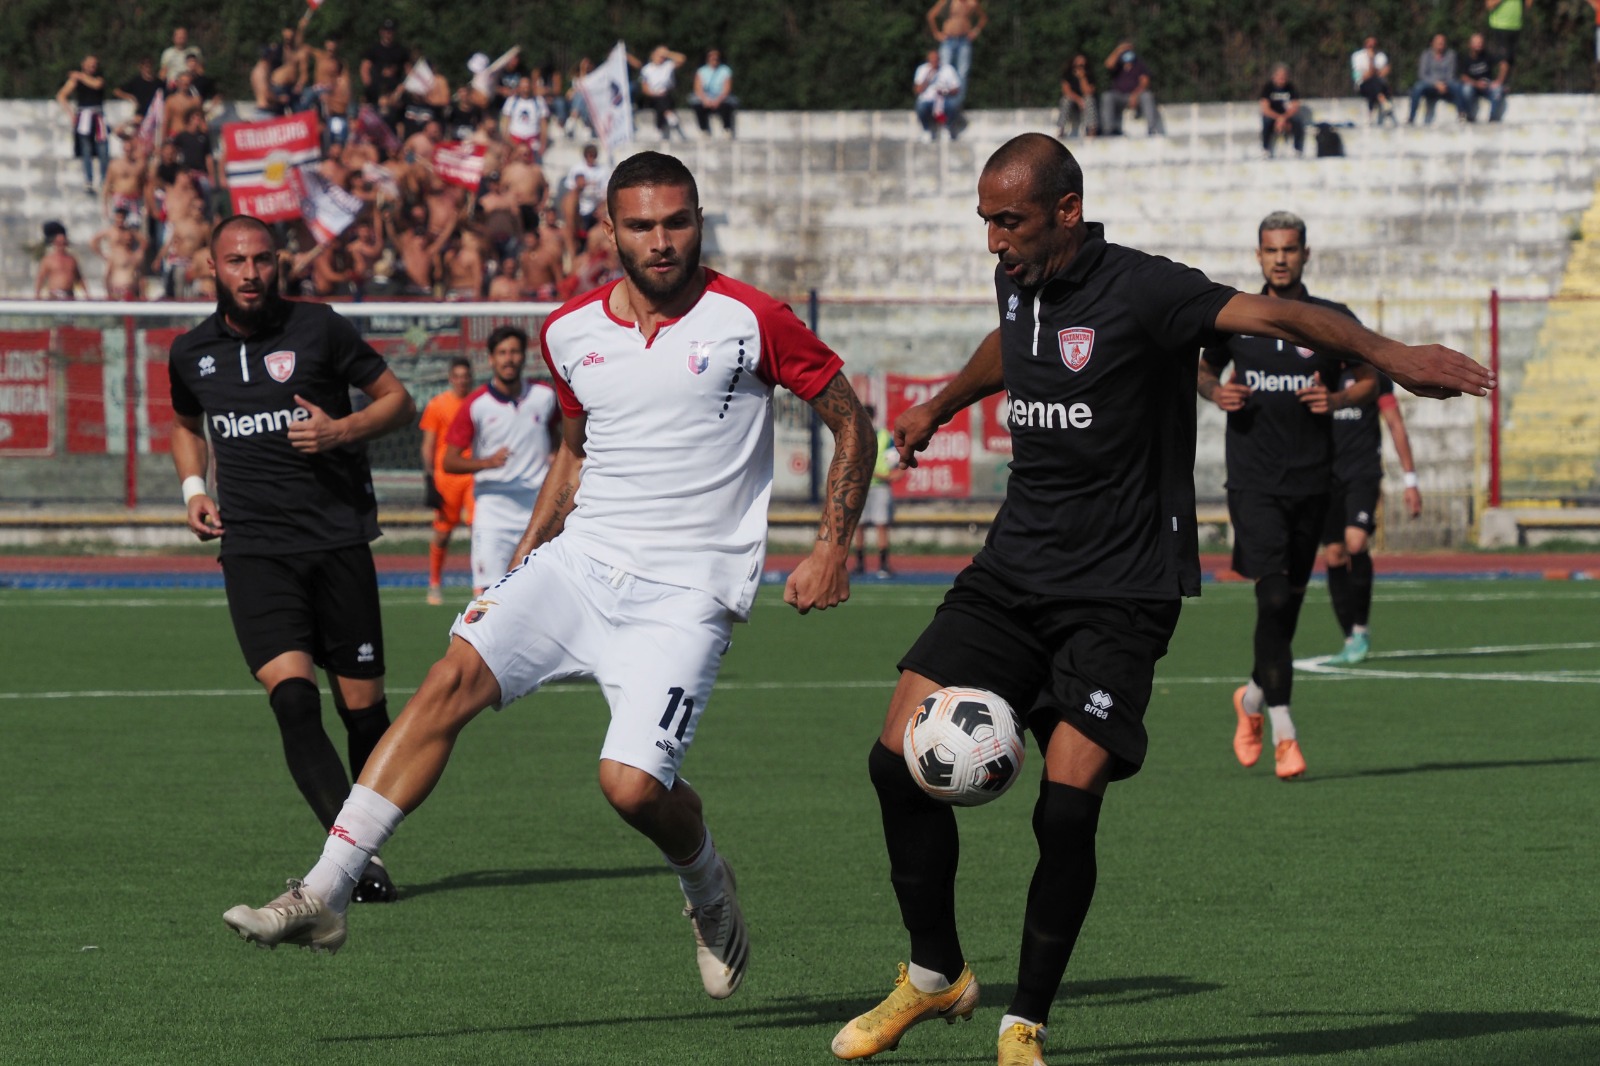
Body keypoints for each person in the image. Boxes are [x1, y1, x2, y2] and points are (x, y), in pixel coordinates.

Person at [828, 134, 1491, 1066]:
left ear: (1066, 210)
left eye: (1007, 220)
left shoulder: (1147, 289)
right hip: (1012, 572)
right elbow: (1011, 346)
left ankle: (1026, 1023)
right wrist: (940, 403)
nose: (992, 241)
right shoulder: (1021, 276)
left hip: (1120, 593)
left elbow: (1275, 314)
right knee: (895, 762)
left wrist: (1392, 354)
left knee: (1065, 807)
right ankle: (936, 978)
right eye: (983, 221)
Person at [220, 153, 877, 1007]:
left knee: (632, 789)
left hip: (686, 593)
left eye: (676, 221)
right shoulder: (568, 330)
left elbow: (849, 419)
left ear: (699, 220)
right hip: (576, 567)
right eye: (640, 225)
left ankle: (710, 887)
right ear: (609, 230)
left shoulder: (753, 318)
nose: (660, 240)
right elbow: (574, 452)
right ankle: (326, 890)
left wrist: (833, 545)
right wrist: (526, 558)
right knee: (449, 678)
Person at [169, 214, 417, 904]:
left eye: (262, 260)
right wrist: (194, 488)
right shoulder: (191, 352)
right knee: (294, 703)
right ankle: (352, 865)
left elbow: (400, 401)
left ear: (278, 264)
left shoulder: (321, 327)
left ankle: (360, 845)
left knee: (364, 713)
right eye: (236, 261)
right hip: (254, 550)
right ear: (212, 268)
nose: (250, 273)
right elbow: (187, 426)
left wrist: (342, 429)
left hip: (337, 541)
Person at [1198, 211, 1377, 782]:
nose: (1280, 258)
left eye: (1290, 249)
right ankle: (1285, 733)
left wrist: (1342, 400)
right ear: (1258, 255)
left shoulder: (1330, 319)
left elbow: (1374, 374)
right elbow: (1200, 368)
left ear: (1305, 254)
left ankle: (1250, 700)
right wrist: (1215, 391)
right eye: (1271, 249)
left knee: (1288, 607)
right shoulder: (1234, 314)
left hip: (1313, 483)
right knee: (1273, 599)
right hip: (1253, 484)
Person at [442, 327, 561, 594]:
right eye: (502, 353)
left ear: (524, 357)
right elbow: (449, 461)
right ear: (491, 359)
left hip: (538, 508)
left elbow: (555, 434)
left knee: (542, 591)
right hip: (493, 512)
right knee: (487, 596)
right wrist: (486, 462)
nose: (509, 359)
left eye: (515, 352)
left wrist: (555, 455)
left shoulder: (545, 396)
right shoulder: (476, 404)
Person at [1321, 372, 1422, 666]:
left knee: (1356, 540)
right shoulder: (1320, 367)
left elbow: (1395, 423)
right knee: (1334, 554)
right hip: (1324, 475)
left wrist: (1410, 480)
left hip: (1362, 474)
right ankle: (1350, 638)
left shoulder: (1372, 375)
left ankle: (1362, 630)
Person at [419, 357, 477, 606]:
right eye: (458, 376)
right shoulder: (437, 405)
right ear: (451, 378)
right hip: (447, 477)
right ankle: (434, 583)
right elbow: (429, 443)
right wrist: (429, 478)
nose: (462, 380)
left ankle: (481, 587)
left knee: (480, 531)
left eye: (466, 376)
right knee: (442, 534)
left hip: (474, 476)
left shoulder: (478, 402)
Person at [853, 406, 906, 578]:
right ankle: (860, 564)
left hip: (880, 486)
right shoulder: (854, 436)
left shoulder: (884, 437)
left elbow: (895, 464)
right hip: (860, 486)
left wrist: (889, 474)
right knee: (858, 526)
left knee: (881, 524)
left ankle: (883, 565)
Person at [56, 55, 109, 194]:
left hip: (97, 114)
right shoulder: (77, 79)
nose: (93, 66)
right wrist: (71, 114)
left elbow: (96, 84)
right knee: (86, 149)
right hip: (84, 115)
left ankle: (104, 179)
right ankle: (89, 180)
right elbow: (61, 95)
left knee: (103, 148)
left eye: (94, 64)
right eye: (90, 63)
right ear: (83, 64)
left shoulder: (98, 77)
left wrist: (79, 76)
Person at [926, 0, 987, 110]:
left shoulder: (971, 2)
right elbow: (931, 15)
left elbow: (983, 18)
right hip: (948, 40)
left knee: (962, 73)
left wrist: (975, 31)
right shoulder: (947, 1)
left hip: (964, 40)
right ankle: (941, 103)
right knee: (944, 72)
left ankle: (957, 104)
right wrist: (937, 33)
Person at [1100, 42, 1164, 136]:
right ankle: (1109, 129)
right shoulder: (1117, 64)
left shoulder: (1139, 64)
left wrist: (1135, 95)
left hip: (1136, 95)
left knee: (1147, 96)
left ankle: (1152, 128)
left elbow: (1145, 82)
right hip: (1119, 95)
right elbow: (1108, 65)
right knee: (1107, 96)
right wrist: (1118, 50)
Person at [635, 46, 688, 141]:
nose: (660, 57)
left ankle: (659, 128)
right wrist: (655, 94)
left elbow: (682, 59)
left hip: (666, 94)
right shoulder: (646, 69)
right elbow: (645, 88)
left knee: (663, 100)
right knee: (660, 100)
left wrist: (668, 53)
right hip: (652, 96)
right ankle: (669, 115)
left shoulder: (668, 65)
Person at [1457, 33, 1509, 123]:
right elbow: (1463, 77)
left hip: (1488, 86)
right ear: (1470, 44)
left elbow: (1504, 65)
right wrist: (1476, 84)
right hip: (1473, 87)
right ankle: (1470, 117)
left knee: (1498, 90)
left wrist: (1499, 81)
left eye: (1480, 42)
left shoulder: (1487, 55)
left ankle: (1493, 119)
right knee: (1466, 90)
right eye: (1476, 42)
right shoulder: (1465, 58)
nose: (1479, 44)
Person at [1408, 34, 1458, 125]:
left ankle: (1464, 114)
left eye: (1442, 43)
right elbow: (1422, 74)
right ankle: (1411, 117)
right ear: (1433, 44)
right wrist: (1436, 83)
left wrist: (1443, 84)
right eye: (1438, 43)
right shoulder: (1426, 55)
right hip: (1430, 85)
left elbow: (1451, 74)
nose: (1440, 45)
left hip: (1446, 84)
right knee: (1417, 87)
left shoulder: (1451, 55)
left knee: (1459, 87)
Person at [913, 50, 963, 141]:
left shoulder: (948, 69)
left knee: (953, 104)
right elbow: (917, 90)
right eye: (932, 60)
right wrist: (928, 76)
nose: (934, 62)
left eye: (936, 60)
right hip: (928, 100)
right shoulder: (922, 69)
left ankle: (947, 128)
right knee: (921, 106)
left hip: (945, 99)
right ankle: (927, 130)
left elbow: (956, 89)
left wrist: (945, 91)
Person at [1259, 63, 1305, 158]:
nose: (1282, 79)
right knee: (1266, 121)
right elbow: (1265, 108)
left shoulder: (1291, 88)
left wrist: (1284, 118)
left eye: (1284, 76)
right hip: (1273, 116)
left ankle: (1297, 150)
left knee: (1298, 121)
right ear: (1274, 76)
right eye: (1280, 76)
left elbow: (1295, 107)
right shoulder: (1267, 88)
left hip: (1286, 116)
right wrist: (1279, 118)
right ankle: (1265, 150)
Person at [34, 221, 88, 300]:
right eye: (59, 243)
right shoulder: (48, 259)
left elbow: (79, 278)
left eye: (63, 243)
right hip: (54, 295)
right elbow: (40, 278)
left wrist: (86, 294)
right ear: (54, 243)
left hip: (69, 295)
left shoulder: (72, 259)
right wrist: (37, 295)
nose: (61, 245)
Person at [1350, 36, 1397, 126]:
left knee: (1375, 83)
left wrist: (1372, 72)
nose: (1371, 47)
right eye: (1369, 45)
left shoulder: (1381, 56)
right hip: (1363, 85)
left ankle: (1371, 114)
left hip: (1378, 85)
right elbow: (1359, 76)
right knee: (1373, 82)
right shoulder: (1357, 56)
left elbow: (1383, 73)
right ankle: (1383, 101)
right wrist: (1371, 61)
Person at [691, 49, 736, 137]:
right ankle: (703, 129)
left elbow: (727, 89)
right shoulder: (701, 71)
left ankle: (727, 129)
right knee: (697, 105)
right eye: (712, 57)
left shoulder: (725, 70)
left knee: (727, 105)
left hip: (721, 97)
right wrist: (705, 99)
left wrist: (718, 100)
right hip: (705, 97)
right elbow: (698, 88)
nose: (714, 60)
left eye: (716, 58)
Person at [1056, 54, 1097, 139]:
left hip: (1085, 102)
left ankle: (1091, 129)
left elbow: (1088, 92)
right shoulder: (1067, 74)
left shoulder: (1089, 75)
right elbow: (1066, 91)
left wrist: (1082, 78)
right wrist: (1078, 100)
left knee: (1089, 100)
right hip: (1074, 101)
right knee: (1065, 100)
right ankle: (1061, 128)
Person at [1486, 0, 1528, 70]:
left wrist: (1525, 13)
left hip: (1516, 26)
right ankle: (1499, 80)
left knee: (1511, 60)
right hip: (1499, 25)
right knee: (1503, 59)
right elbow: (1489, 5)